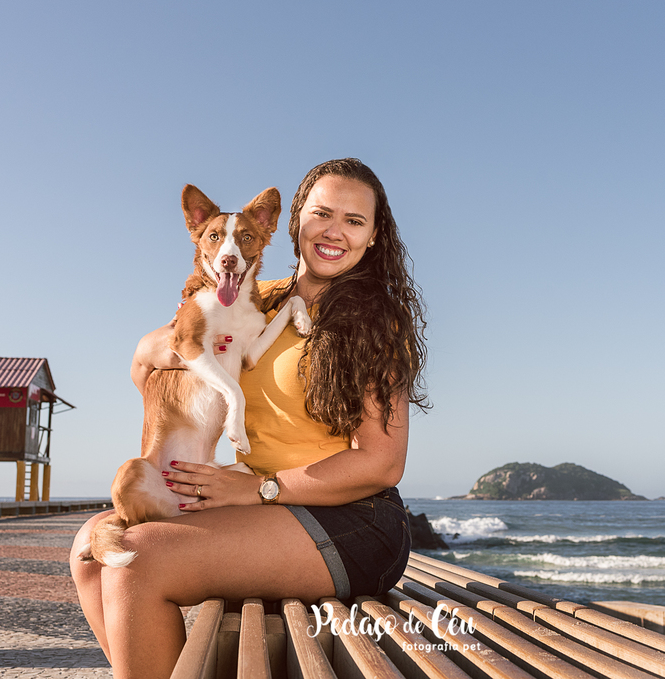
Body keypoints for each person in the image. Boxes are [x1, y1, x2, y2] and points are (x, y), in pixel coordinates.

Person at [69, 158, 428, 679]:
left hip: (354, 519)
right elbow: (144, 363)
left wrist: (257, 490)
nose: (335, 232)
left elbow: (381, 464)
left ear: (373, 236)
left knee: (138, 563)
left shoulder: (374, 321)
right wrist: (170, 344)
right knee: (89, 548)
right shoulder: (256, 296)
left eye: (355, 221)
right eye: (323, 214)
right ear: (293, 220)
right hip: (268, 505)